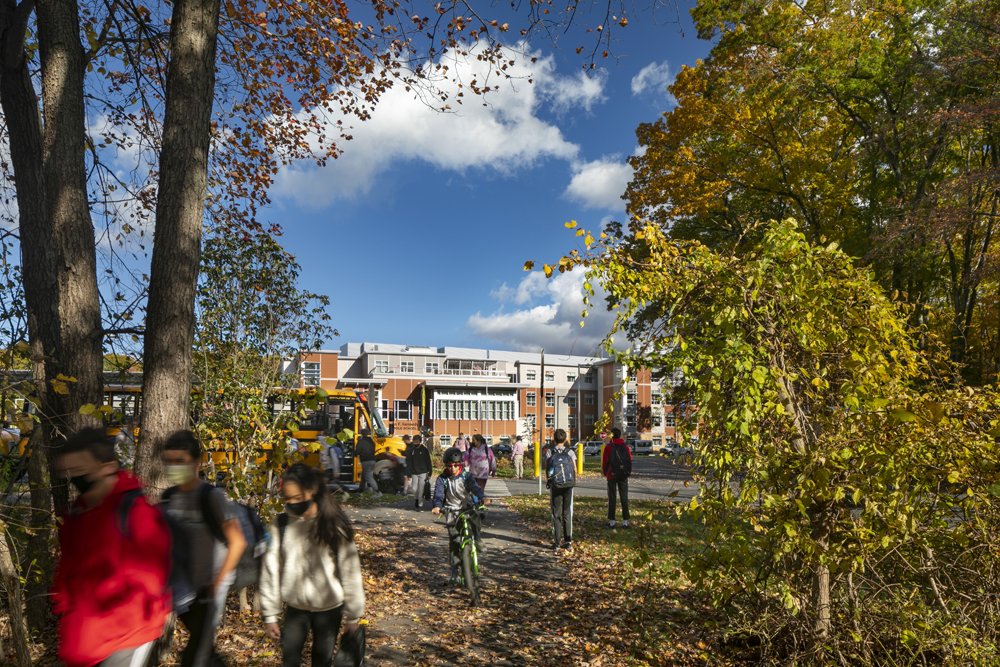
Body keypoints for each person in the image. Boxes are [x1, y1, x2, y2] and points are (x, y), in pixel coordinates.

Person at [52, 427, 171, 667]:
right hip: (83, 641)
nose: (76, 479)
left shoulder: (137, 514)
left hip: (126, 636)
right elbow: (68, 571)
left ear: (107, 466)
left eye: (82, 471)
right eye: (70, 472)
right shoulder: (76, 516)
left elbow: (154, 580)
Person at [261, 464, 365, 667]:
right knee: (289, 660)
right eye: (288, 499)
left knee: (321, 661)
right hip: (295, 608)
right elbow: (270, 569)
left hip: (329, 609)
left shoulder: (333, 526)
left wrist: (353, 615)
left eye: (298, 498)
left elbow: (350, 571)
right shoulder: (281, 525)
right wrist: (270, 614)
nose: (292, 504)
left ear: (312, 492)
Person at [161, 430, 248, 667]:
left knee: (196, 654)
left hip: (209, 589)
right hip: (183, 590)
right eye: (169, 461)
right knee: (204, 652)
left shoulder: (212, 496)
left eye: (180, 461)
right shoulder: (168, 497)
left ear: (196, 463)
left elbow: (238, 542)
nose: (174, 467)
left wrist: (216, 584)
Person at [431, 447, 485, 583]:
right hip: (451, 511)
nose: (453, 468)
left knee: (475, 518)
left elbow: (475, 488)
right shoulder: (442, 479)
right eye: (450, 466)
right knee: (454, 543)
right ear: (446, 466)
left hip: (466, 507)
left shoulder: (466, 477)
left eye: (456, 465)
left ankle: (477, 540)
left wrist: (481, 498)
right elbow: (438, 494)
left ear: (460, 465)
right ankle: (455, 574)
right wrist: (437, 506)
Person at [546, 429, 576, 551]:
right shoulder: (570, 452)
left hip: (556, 486)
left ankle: (557, 542)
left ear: (554, 439)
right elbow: (574, 469)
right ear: (565, 439)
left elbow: (548, 470)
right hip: (568, 485)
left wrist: (549, 482)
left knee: (556, 513)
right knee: (567, 512)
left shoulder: (550, 452)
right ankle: (568, 541)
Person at [602, 428, 632, 529]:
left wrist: (606, 473)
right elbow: (629, 460)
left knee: (612, 497)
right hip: (623, 474)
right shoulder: (625, 447)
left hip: (612, 474)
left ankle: (612, 521)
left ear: (612, 435)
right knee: (624, 497)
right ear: (619, 436)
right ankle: (625, 521)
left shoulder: (609, 447)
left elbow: (605, 461)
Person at [405, 434, 432, 510]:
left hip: (423, 472)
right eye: (414, 441)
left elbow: (428, 461)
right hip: (414, 472)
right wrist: (408, 473)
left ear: (420, 441)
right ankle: (416, 498)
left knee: (421, 489)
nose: (415, 443)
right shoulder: (412, 450)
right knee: (414, 489)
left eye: (417, 441)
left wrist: (430, 473)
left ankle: (420, 504)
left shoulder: (424, 450)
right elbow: (409, 462)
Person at [355, 428, 379, 495]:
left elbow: (358, 451)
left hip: (365, 460)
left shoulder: (361, 441)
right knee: (364, 475)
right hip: (372, 460)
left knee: (368, 477)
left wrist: (355, 454)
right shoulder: (371, 441)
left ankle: (377, 491)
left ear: (362, 434)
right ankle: (360, 491)